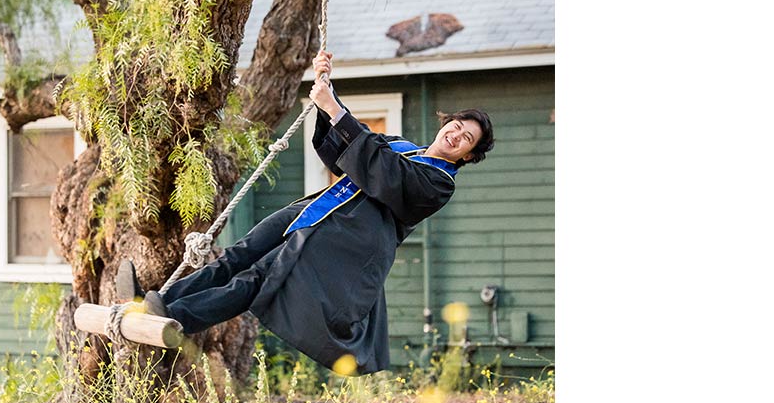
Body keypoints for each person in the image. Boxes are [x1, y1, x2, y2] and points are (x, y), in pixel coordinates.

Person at [120, 49, 494, 375]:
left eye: (467, 139)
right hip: (314, 211)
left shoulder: (440, 183)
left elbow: (386, 174)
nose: (456, 135)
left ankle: (176, 317)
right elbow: (350, 149)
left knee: (256, 280)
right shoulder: (402, 146)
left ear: (469, 156)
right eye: (457, 126)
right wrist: (327, 97)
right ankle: (156, 302)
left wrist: (335, 108)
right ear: (446, 122)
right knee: (237, 256)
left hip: (339, 242)